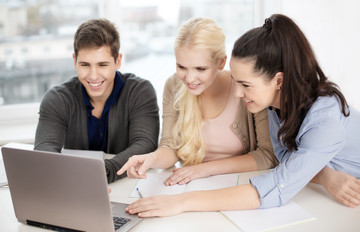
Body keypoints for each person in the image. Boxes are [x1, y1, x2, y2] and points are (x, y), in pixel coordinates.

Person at [122, 14, 360, 217]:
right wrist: (325, 176)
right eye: (235, 82)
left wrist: (181, 202)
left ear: (278, 80)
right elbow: (289, 162)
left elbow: (275, 187)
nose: (237, 93)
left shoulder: (324, 120)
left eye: (245, 85)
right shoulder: (275, 106)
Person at [118, 17, 277, 187]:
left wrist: (204, 169)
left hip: (241, 186)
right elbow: (170, 148)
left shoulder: (245, 87)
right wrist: (151, 159)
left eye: (201, 69)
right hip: (192, 185)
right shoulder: (173, 85)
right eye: (181, 67)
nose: (189, 78)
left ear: (221, 62)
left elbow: (267, 155)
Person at [34, 18, 159, 183]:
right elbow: (45, 150)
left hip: (127, 182)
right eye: (85, 65)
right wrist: (75, 179)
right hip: (73, 184)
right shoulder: (57, 99)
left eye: (102, 65)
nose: (93, 75)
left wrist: (102, 173)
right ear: (74, 61)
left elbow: (145, 143)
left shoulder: (139, 91)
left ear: (118, 61)